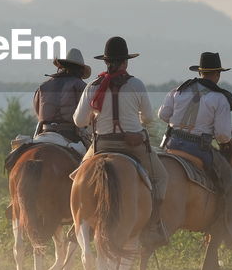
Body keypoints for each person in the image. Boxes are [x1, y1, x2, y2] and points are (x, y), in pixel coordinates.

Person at [72, 36, 169, 247]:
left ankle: (78, 223)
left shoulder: (92, 86)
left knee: (77, 178)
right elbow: (149, 118)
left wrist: (95, 117)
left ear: (106, 62)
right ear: (125, 62)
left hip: (101, 146)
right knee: (161, 178)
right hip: (133, 146)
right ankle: (153, 225)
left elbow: (79, 121)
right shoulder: (136, 84)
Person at [158, 51, 232, 249]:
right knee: (231, 181)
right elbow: (223, 135)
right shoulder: (219, 98)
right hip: (198, 149)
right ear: (217, 74)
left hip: (171, 145)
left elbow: (163, 115)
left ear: (200, 72)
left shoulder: (177, 91)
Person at [32, 47, 91, 145]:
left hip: (45, 131)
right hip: (71, 133)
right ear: (81, 70)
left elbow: (38, 112)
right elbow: (86, 117)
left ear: (61, 66)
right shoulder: (82, 87)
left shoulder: (43, 86)